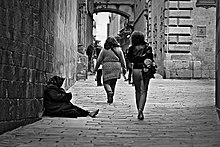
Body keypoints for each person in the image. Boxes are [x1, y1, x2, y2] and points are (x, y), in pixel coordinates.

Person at [127, 31, 154, 120]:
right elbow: (150, 58)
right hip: (145, 70)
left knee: (137, 91)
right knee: (144, 91)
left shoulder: (132, 48)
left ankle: (138, 108)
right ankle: (140, 110)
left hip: (135, 70)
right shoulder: (147, 47)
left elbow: (130, 59)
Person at [94, 36, 127, 104]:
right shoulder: (119, 49)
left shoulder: (104, 50)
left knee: (106, 82)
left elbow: (99, 60)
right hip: (116, 66)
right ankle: (111, 96)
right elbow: (122, 59)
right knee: (113, 83)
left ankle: (109, 92)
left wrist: (96, 68)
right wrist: (124, 68)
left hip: (107, 66)